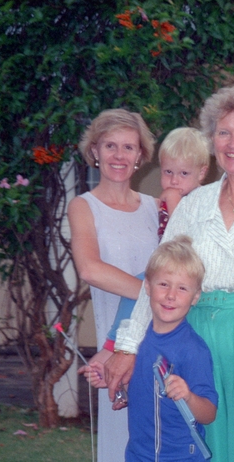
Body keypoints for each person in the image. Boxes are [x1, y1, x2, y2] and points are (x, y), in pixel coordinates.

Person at [106, 82, 234, 462]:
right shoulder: (194, 204)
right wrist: (128, 347)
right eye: (224, 133)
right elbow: (160, 273)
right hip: (193, 340)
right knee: (195, 441)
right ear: (211, 142)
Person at [68, 108, 160, 462]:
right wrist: (156, 294)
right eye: (111, 146)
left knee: (163, 446)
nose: (120, 155)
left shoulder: (157, 208)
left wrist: (165, 299)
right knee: (122, 451)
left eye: (129, 146)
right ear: (95, 152)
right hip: (117, 347)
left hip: (162, 344)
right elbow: (90, 268)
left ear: (141, 155)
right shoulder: (84, 207)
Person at [83, 127, 209, 372]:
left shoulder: (191, 200)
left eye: (184, 173)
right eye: (168, 172)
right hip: (175, 273)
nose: (174, 180)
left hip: (184, 270)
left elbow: (180, 235)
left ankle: (112, 345)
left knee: (143, 285)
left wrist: (171, 202)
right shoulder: (171, 200)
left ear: (201, 173)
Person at [121, 236, 218, 462]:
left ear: (195, 297)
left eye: (182, 288)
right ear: (148, 287)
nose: (171, 295)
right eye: (163, 284)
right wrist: (121, 390)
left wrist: (188, 395)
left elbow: (209, 413)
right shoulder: (139, 340)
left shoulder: (193, 349)